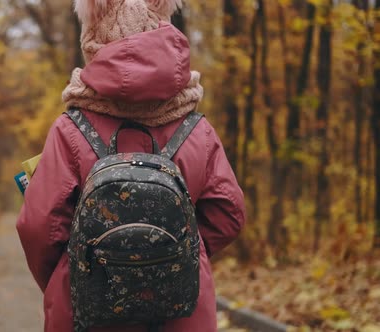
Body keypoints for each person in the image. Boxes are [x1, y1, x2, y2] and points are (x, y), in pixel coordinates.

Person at [16, 0, 246, 331]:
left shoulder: (70, 129)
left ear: (93, 39)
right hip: (180, 314)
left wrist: (70, 273)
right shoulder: (198, 130)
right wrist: (174, 255)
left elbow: (38, 227)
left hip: (87, 312)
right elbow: (229, 214)